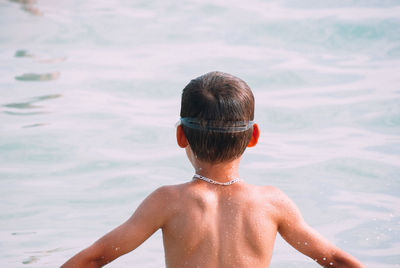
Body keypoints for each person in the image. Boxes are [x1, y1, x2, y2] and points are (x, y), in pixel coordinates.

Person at [61, 71, 364, 268]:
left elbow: (97, 257)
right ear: (254, 136)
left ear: (181, 136)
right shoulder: (273, 203)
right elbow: (336, 260)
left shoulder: (166, 202)